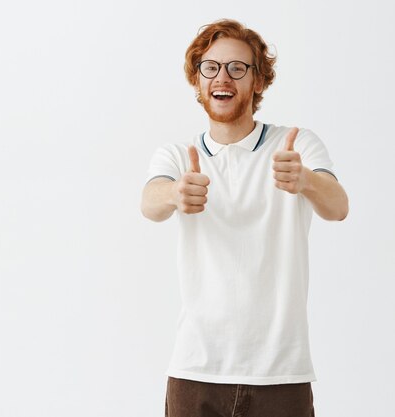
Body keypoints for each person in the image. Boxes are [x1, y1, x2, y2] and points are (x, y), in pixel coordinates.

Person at [141, 19, 348, 417]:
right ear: (198, 81)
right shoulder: (178, 157)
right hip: (195, 370)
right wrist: (174, 192)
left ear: (258, 81)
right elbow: (149, 204)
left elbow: (338, 207)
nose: (224, 77)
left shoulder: (297, 144)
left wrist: (304, 179)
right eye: (211, 67)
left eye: (238, 68)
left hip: (281, 375)